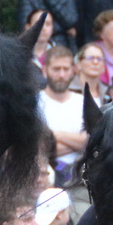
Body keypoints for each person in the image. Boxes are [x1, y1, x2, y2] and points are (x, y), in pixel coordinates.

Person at [36, 45, 87, 183]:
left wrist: (55, 135)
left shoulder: (84, 102)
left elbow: (90, 142)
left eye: (66, 69)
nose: (62, 75)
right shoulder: (34, 104)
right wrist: (78, 143)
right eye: (56, 69)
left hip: (80, 176)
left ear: (73, 70)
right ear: (45, 70)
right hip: (43, 178)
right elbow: (38, 147)